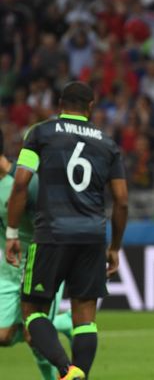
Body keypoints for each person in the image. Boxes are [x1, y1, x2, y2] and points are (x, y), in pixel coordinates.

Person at [5, 82, 128, 380]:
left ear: (60, 104)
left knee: (32, 311)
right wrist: (115, 248)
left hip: (51, 234)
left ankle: (65, 370)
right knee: (85, 317)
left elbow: (21, 182)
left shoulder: (42, 133)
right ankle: (79, 375)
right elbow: (122, 200)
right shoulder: (107, 143)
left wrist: (11, 232)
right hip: (92, 237)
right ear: (91, 107)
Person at [0, 127, 73, 380]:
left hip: (38, 262)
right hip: (8, 271)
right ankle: (65, 323)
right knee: (3, 336)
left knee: (35, 335)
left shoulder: (26, 184)